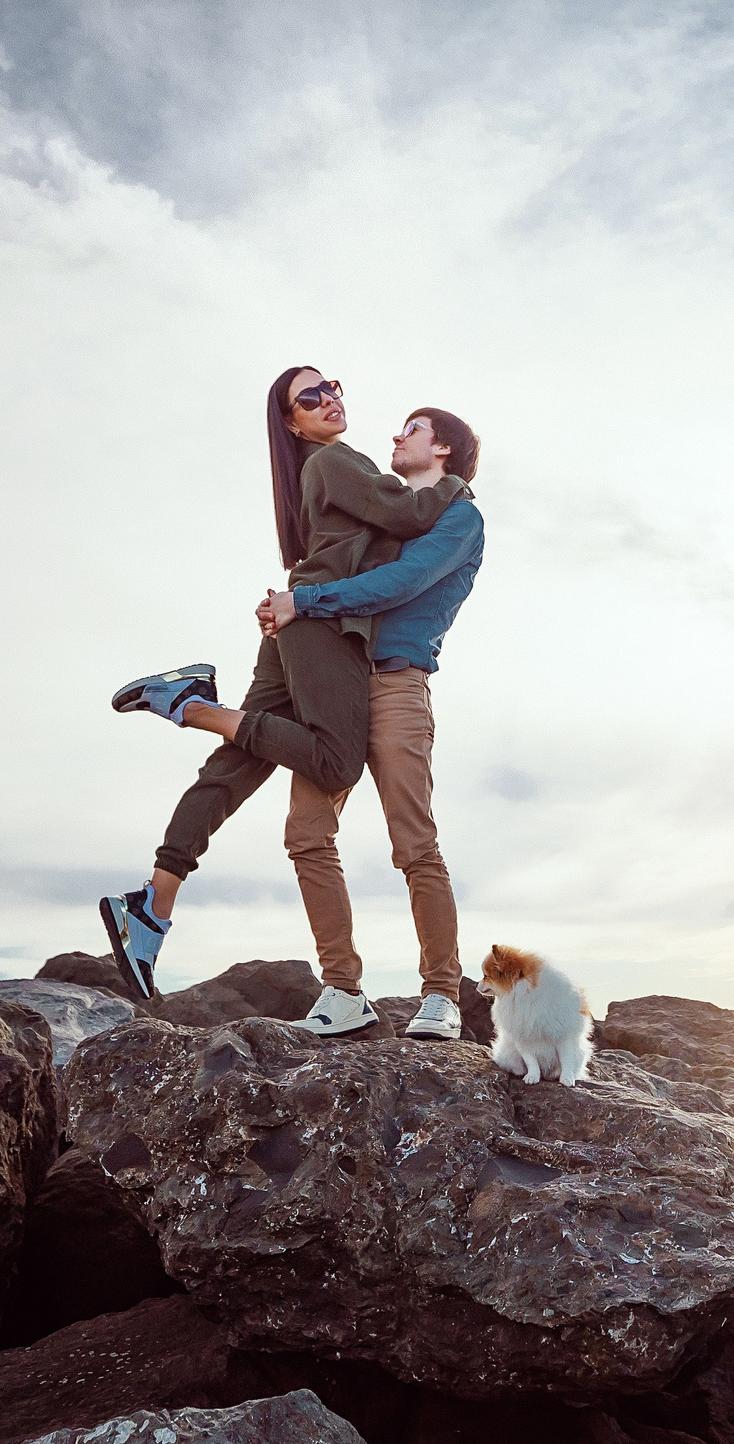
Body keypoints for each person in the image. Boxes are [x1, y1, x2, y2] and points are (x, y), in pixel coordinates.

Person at [99, 366, 464, 1023]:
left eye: (333, 387)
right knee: (332, 767)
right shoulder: (336, 461)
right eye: (310, 397)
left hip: (318, 632)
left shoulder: (332, 478)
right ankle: (193, 706)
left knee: (239, 761)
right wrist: (458, 480)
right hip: (321, 630)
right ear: (292, 422)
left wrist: (299, 602)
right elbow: (405, 514)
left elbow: (398, 561)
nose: (330, 400)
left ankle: (153, 903)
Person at [256, 406, 484, 1040]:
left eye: (411, 429)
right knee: (306, 832)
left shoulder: (461, 518)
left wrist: (304, 601)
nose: (395, 436)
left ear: (443, 448)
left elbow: (402, 582)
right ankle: (342, 989)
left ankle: (441, 995)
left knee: (414, 842)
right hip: (337, 682)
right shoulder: (383, 516)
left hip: (396, 686)